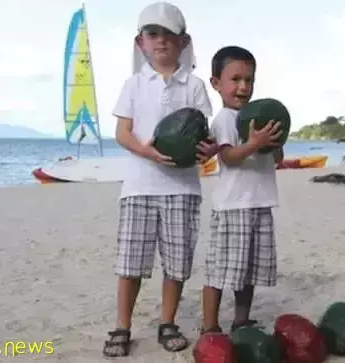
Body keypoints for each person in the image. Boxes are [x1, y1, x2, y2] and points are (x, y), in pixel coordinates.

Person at [103, 2, 218, 357]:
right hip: (139, 187)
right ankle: (122, 325)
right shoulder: (134, 84)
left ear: (184, 42)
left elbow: (204, 134)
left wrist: (207, 151)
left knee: (176, 262)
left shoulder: (195, 86)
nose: (161, 41)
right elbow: (122, 132)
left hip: (182, 188)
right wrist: (147, 152)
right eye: (153, 34)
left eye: (169, 34)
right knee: (130, 263)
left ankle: (167, 322)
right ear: (141, 43)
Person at [200, 45, 284, 334]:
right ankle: (210, 326)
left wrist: (275, 142)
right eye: (235, 79)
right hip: (232, 206)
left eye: (249, 80)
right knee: (220, 270)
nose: (243, 87)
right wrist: (254, 143)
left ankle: (241, 320)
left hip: (260, 203)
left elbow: (277, 159)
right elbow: (228, 157)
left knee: (248, 272)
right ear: (216, 84)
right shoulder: (225, 118)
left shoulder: (257, 118)